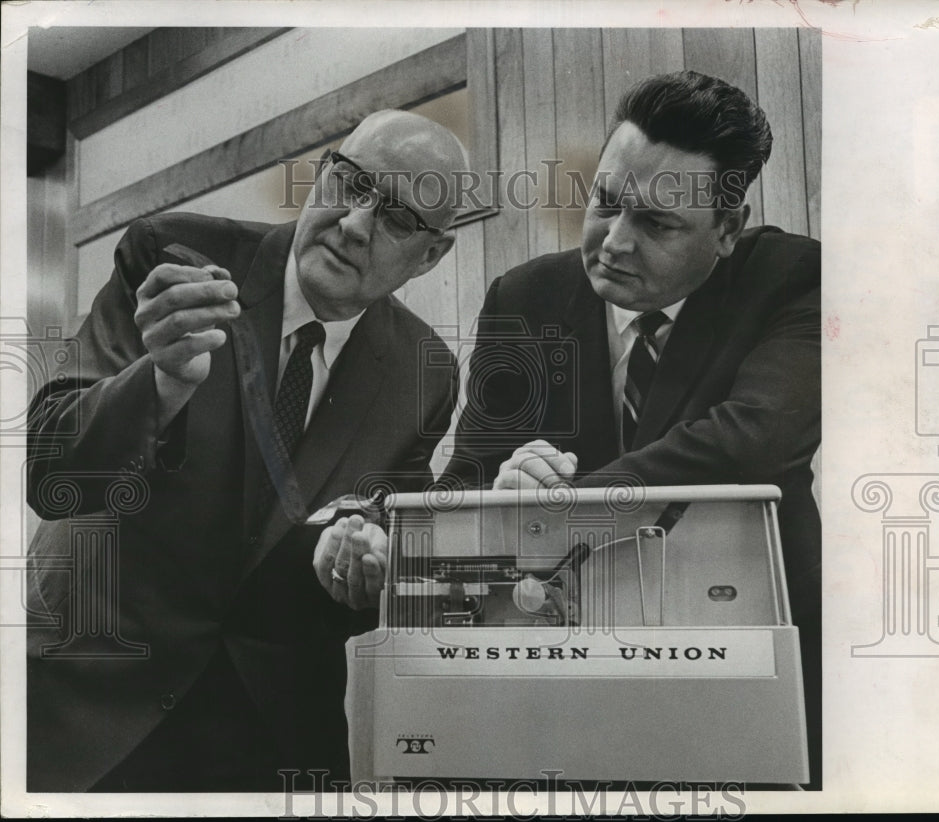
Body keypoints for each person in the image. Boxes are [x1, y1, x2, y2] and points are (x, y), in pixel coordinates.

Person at [25, 110, 468, 792]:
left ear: (431, 255)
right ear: (322, 171)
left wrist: (363, 570)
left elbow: (374, 548)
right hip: (93, 700)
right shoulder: (175, 259)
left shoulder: (426, 371)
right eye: (349, 183)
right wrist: (161, 382)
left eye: (399, 219)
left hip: (273, 732)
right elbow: (53, 470)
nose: (354, 223)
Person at [445, 71, 822, 788]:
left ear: (729, 230)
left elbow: (754, 439)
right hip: (558, 675)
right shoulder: (524, 298)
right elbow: (467, 479)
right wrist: (504, 485)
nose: (614, 242)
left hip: (751, 663)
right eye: (607, 203)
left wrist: (560, 504)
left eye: (657, 224)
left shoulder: (796, 277)